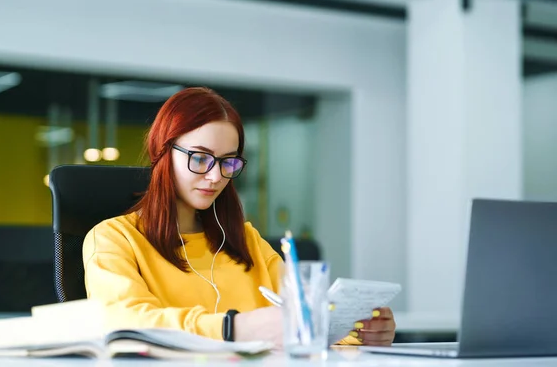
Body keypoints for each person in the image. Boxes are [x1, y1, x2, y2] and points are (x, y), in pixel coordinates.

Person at [82, 87, 396, 347]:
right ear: (162, 153)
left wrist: (359, 336)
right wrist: (233, 329)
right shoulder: (113, 239)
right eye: (200, 158)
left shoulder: (248, 241)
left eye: (227, 162)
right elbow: (124, 324)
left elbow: (305, 323)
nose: (215, 176)